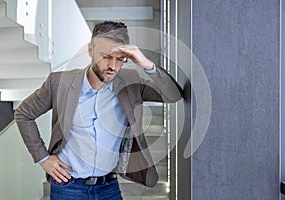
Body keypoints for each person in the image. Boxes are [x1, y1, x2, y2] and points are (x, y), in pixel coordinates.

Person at [15, 21, 183, 200]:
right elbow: (24, 114)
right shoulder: (59, 83)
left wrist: (146, 64)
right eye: (106, 56)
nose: (113, 66)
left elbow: (173, 96)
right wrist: (43, 158)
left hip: (108, 188)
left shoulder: (131, 82)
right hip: (67, 188)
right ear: (90, 50)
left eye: (120, 59)